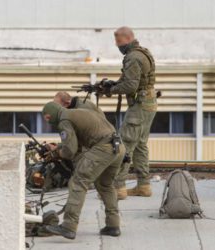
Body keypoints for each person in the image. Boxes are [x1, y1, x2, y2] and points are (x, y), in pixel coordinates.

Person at [42, 101, 125, 240]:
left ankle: (68, 226)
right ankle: (113, 225)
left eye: (48, 119)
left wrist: (56, 154)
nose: (49, 123)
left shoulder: (64, 120)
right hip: (118, 147)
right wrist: (58, 148)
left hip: (103, 148)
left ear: (51, 116)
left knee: (78, 182)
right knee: (105, 185)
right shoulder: (76, 112)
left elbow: (70, 151)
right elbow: (77, 145)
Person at [104, 27, 157, 199]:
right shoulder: (143, 53)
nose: (116, 45)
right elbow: (132, 80)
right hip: (148, 103)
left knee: (125, 145)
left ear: (127, 38)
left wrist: (111, 90)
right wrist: (112, 84)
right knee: (140, 145)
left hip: (139, 106)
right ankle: (144, 185)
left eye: (118, 41)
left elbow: (130, 86)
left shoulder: (133, 57)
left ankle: (118, 188)